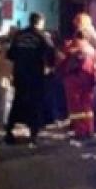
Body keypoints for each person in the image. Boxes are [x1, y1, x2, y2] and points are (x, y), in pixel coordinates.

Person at [5, 13, 56, 147]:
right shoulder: (42, 36)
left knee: (17, 102)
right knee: (35, 104)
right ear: (40, 22)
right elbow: (51, 52)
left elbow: (10, 54)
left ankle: (9, 132)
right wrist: (50, 67)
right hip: (35, 75)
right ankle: (33, 135)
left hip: (20, 74)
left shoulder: (19, 35)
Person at [58, 29, 96, 143]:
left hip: (74, 79)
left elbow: (63, 62)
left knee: (76, 107)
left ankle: (80, 131)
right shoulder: (91, 49)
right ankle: (89, 129)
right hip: (89, 79)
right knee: (87, 106)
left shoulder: (73, 49)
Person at [0, 28, 17, 138]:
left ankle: (0, 121)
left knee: (1, 101)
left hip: (0, 77)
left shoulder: (0, 51)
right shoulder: (9, 51)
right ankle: (2, 122)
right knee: (5, 101)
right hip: (6, 78)